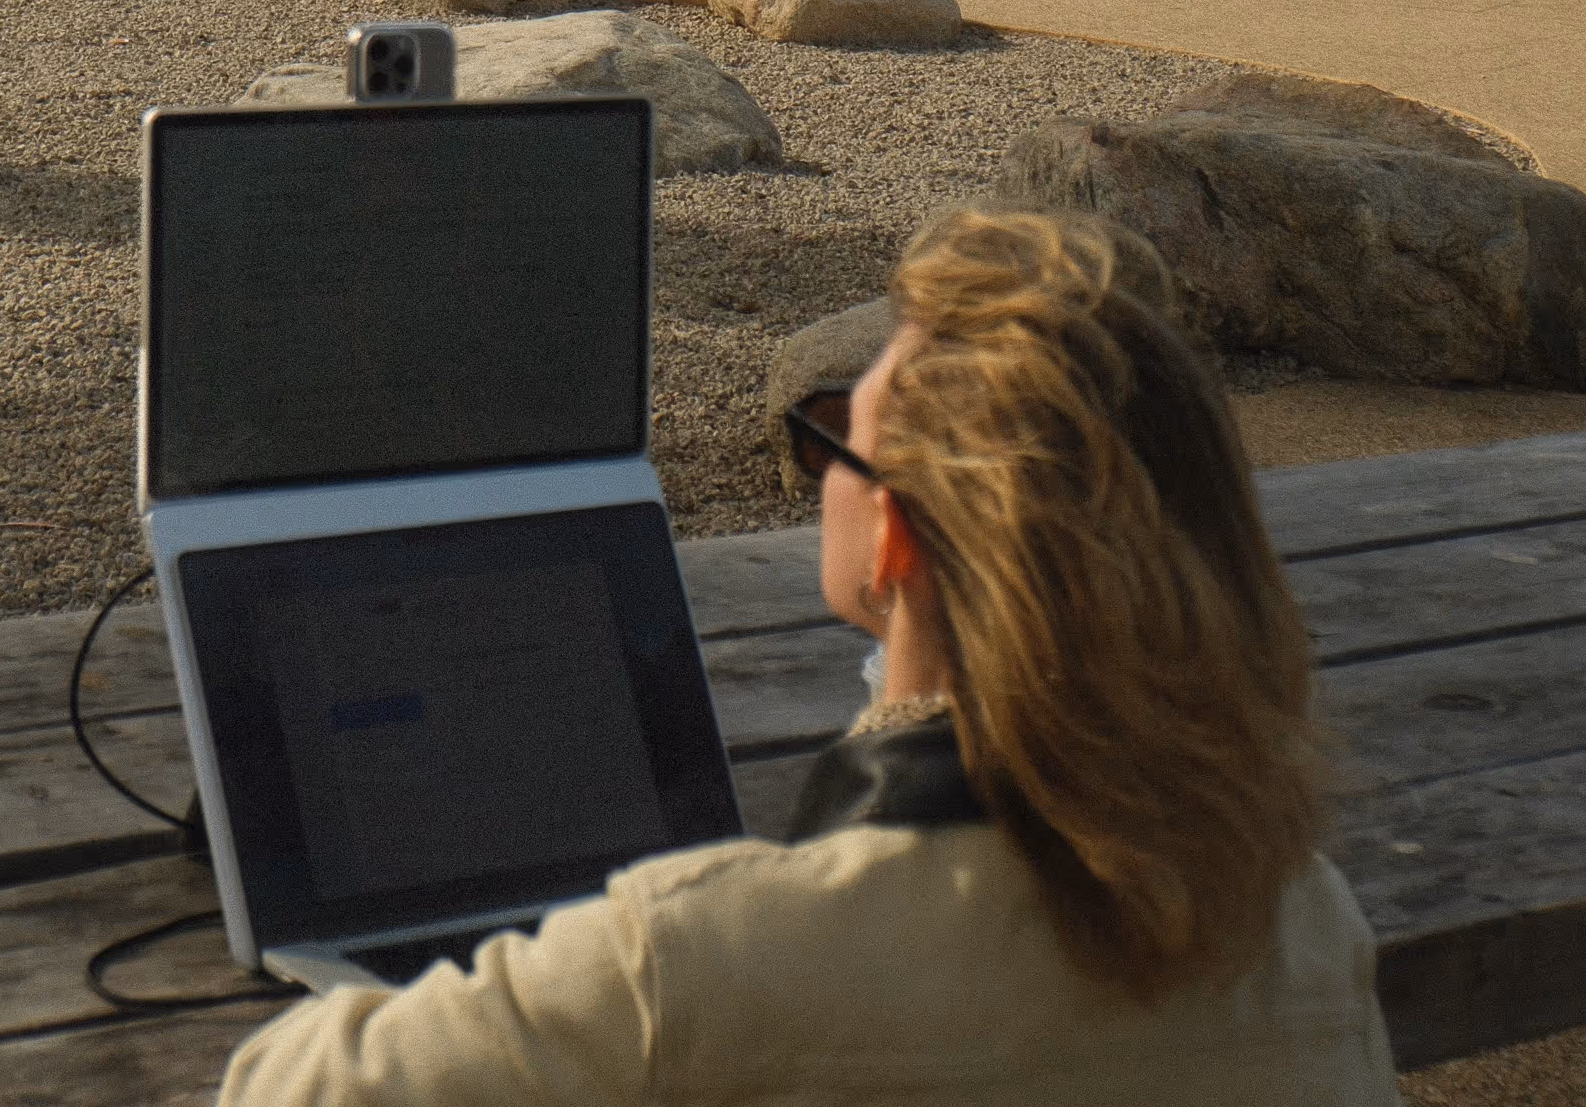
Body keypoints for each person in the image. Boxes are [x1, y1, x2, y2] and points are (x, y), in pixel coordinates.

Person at [216, 206, 1399, 1106]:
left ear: (892, 533)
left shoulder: (700, 959)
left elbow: (288, 1085)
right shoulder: (1296, 916)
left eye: (840, 439)